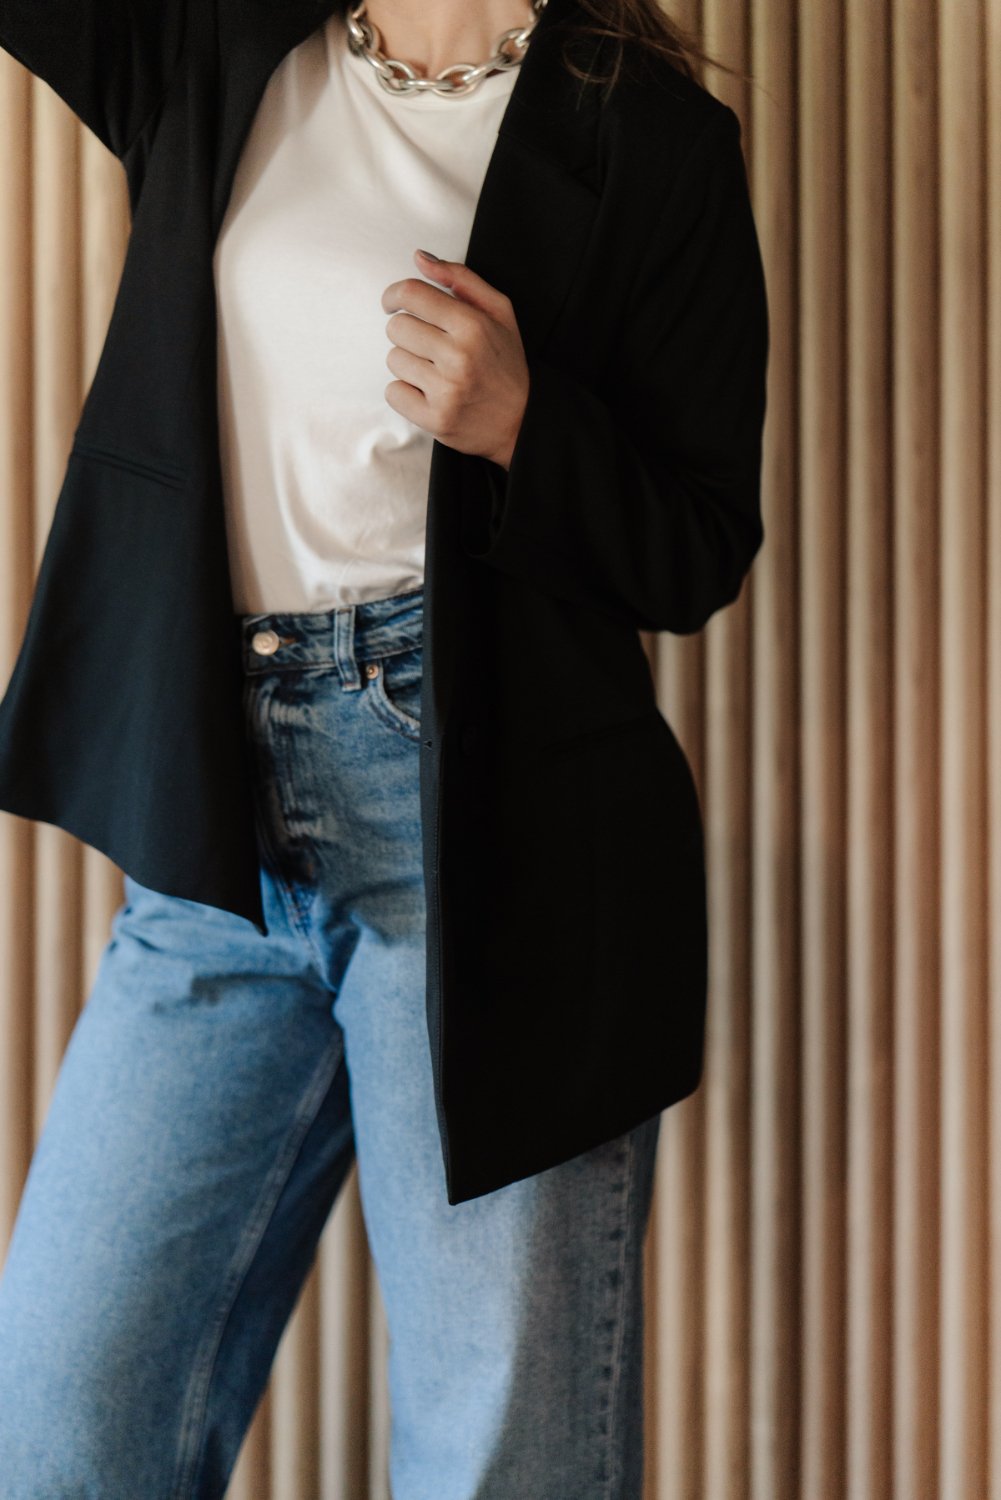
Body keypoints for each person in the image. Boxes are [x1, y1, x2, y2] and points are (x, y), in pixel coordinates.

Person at [0, 0, 769, 1494]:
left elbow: (697, 545)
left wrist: (523, 424)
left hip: (496, 848)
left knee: (497, 1460)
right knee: (62, 1424)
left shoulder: (652, 138)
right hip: (213, 844)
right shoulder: (216, 41)